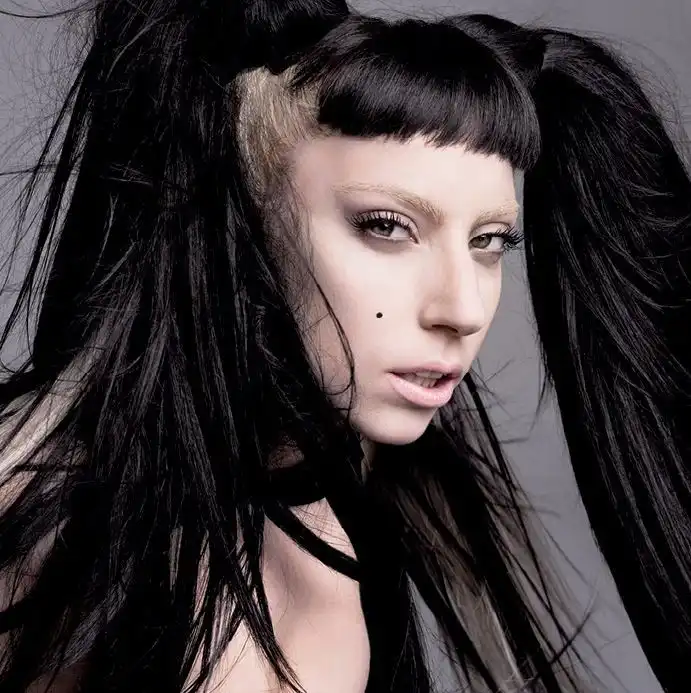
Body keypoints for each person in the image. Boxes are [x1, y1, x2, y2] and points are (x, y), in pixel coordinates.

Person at [0, 1, 688, 692]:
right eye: (386, 225)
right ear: (248, 215)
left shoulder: (327, 529)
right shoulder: (83, 527)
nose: (461, 309)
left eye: (488, 241)